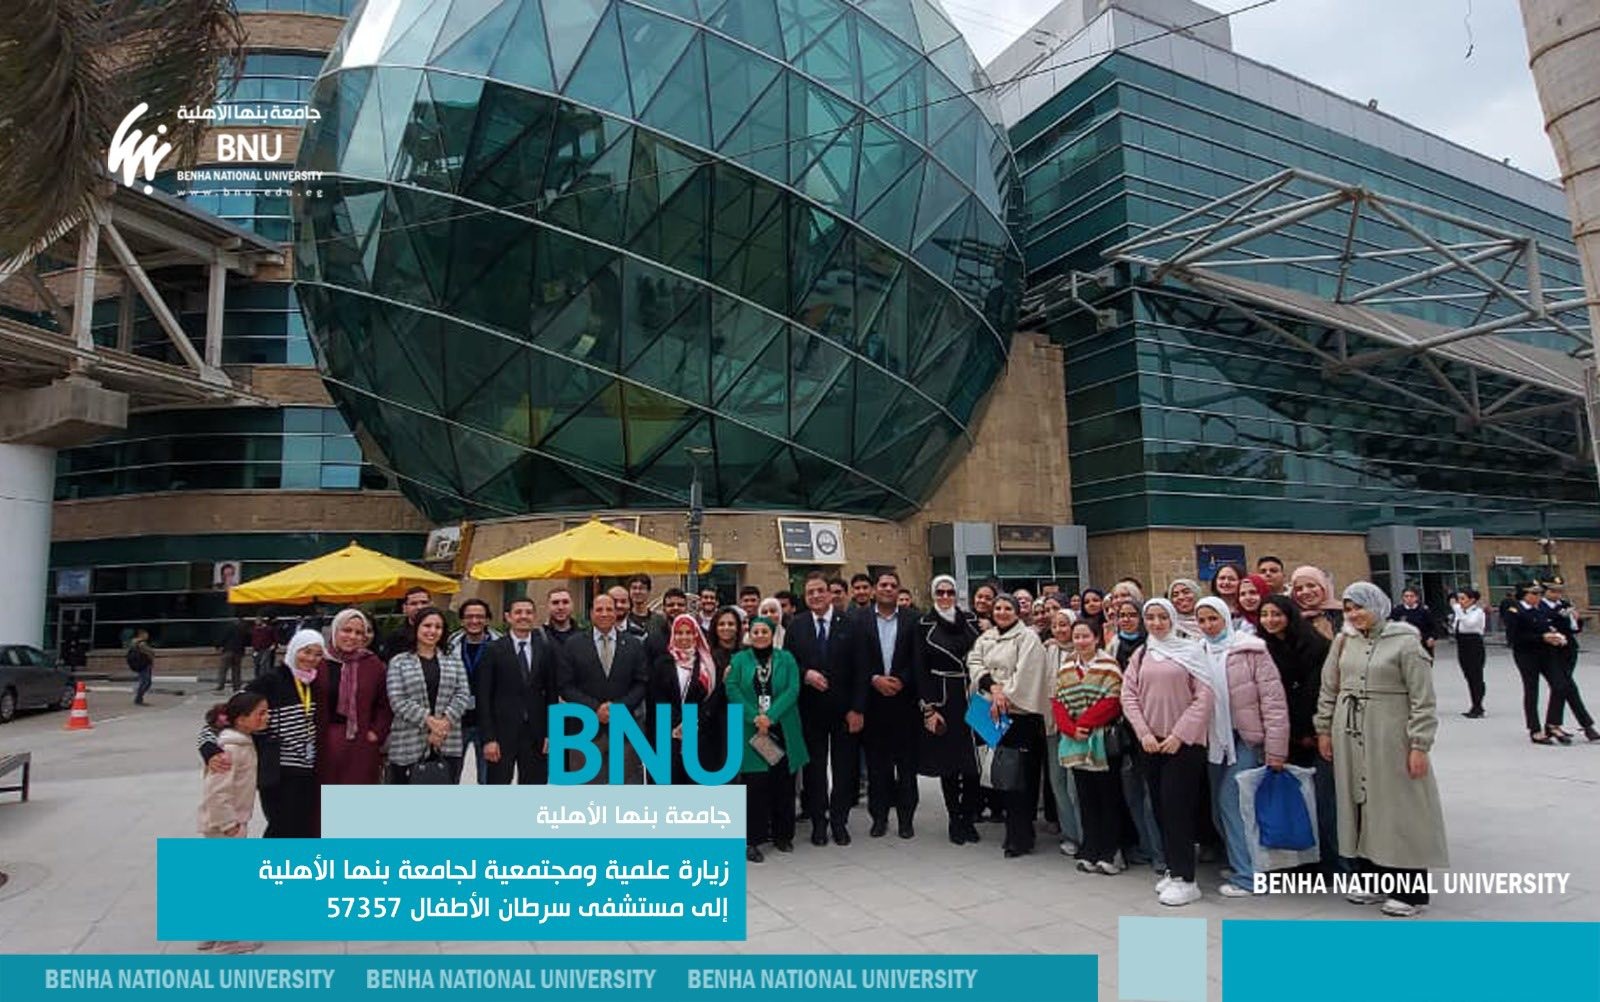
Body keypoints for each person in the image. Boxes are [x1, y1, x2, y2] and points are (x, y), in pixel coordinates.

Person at [1316, 582, 1448, 918]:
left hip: (1389, 735)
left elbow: (1423, 699)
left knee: (1397, 807)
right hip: (1350, 733)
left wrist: (1419, 744)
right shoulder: (1344, 642)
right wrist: (1324, 729)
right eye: (1348, 609)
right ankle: (1371, 877)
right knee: (1359, 803)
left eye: (1360, 607)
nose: (1354, 614)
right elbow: (1329, 687)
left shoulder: (1405, 642)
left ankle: (1409, 891)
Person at [1121, 598, 1213, 907]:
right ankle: (1173, 869)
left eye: (1163, 617)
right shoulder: (1142, 653)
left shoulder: (1191, 652)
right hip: (1151, 743)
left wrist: (1179, 735)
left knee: (1178, 810)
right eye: (1151, 617)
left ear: (1172, 619)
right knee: (1160, 808)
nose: (1157, 623)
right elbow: (1128, 695)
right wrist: (1144, 733)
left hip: (1183, 745)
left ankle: (1187, 879)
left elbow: (1204, 698)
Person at [1194, 596, 1288, 897]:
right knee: (1218, 807)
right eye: (1202, 620)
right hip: (1214, 740)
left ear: (1225, 618)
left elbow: (1273, 701)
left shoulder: (1251, 649)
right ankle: (1241, 861)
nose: (1208, 625)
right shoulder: (1197, 652)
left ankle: (1249, 876)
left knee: (1231, 802)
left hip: (1246, 738)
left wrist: (1276, 749)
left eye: (1213, 619)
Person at [200, 628, 325, 837]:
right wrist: (209, 747)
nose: (311, 658)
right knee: (282, 826)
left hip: (306, 768)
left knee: (302, 826)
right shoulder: (271, 680)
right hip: (278, 770)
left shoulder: (313, 682)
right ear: (293, 650)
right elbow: (227, 714)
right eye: (306, 651)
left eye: (318, 654)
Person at [966, 593, 1053, 858]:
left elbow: (1028, 674)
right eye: (998, 608)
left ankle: (1021, 836)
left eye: (1007, 608)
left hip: (1019, 713)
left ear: (1016, 612)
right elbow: (974, 662)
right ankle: (1008, 825)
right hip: (988, 709)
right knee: (997, 772)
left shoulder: (1027, 638)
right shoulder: (987, 637)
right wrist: (992, 689)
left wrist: (1004, 695)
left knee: (1020, 777)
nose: (1002, 612)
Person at [1258, 594, 1337, 872]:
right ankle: (1300, 863)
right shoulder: (1261, 649)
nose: (1270, 620)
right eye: (1265, 615)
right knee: (1295, 802)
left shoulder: (1316, 646)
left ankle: (1332, 862)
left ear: (1290, 616)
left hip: (1316, 733)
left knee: (1324, 801)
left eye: (1276, 614)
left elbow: (1320, 690)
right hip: (1283, 735)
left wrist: (1314, 729)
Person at [785, 572, 861, 846]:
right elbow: (788, 663)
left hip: (844, 711)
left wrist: (857, 708)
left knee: (844, 769)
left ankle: (839, 821)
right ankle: (819, 821)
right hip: (810, 711)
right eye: (810, 592)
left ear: (830, 594)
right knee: (814, 770)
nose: (816, 596)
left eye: (820, 591)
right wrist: (805, 674)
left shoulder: (850, 624)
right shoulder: (797, 625)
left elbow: (861, 669)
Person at [726, 617, 809, 861]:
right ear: (749, 635)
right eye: (756, 631)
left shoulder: (786, 658)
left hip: (782, 728)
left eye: (765, 631)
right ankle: (753, 840)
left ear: (773, 635)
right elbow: (732, 689)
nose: (760, 635)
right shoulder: (739, 660)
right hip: (753, 731)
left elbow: (792, 689)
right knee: (755, 786)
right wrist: (756, 717)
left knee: (783, 783)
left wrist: (770, 717)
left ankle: (783, 836)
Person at [196, 690, 270, 955]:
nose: (267, 717)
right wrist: (230, 825)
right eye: (260, 713)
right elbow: (217, 792)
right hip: (225, 826)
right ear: (240, 719)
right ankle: (228, 939)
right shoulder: (231, 749)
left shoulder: (241, 742)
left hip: (227, 823)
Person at [1052, 619, 1126, 875]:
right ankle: (1090, 848)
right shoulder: (1066, 667)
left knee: (1108, 797)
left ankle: (1111, 852)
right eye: (1077, 637)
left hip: (1102, 739)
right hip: (1076, 741)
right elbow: (1058, 701)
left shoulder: (1109, 666)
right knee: (1086, 797)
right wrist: (1071, 729)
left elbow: (1113, 700)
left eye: (1086, 636)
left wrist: (1085, 723)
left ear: (1096, 638)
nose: (1081, 641)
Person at [914, 574, 982, 845]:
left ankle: (969, 816)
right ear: (933, 595)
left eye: (949, 592)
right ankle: (955, 818)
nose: (945, 597)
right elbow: (920, 669)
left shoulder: (973, 621)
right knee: (950, 763)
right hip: (944, 697)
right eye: (940, 592)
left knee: (976, 761)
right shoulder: (923, 625)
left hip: (975, 694)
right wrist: (929, 707)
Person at [558, 593, 650, 783]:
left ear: (616, 613)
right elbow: (566, 686)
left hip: (624, 730)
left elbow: (641, 683)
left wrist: (618, 709)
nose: (604, 613)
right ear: (591, 613)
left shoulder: (633, 644)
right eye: (599, 609)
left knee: (625, 787)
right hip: (584, 731)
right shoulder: (573, 644)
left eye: (609, 609)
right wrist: (595, 708)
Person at [857, 569, 920, 840]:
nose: (888, 589)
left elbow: (918, 659)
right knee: (877, 767)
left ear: (899, 590)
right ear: (874, 589)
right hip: (873, 703)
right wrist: (874, 679)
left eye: (893, 585)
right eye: (883, 584)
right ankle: (879, 818)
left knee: (906, 767)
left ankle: (906, 820)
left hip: (904, 703)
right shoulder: (859, 619)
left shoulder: (912, 619)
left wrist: (902, 680)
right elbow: (855, 659)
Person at [1106, 598, 1162, 874]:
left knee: (1153, 797)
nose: (1126, 619)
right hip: (1125, 731)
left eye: (1132, 615)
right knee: (1133, 796)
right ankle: (1145, 847)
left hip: (1154, 729)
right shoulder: (1113, 646)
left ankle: (1161, 853)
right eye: (1122, 615)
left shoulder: (1153, 647)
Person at [478, 597, 561, 785]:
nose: (524, 616)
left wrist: (551, 733)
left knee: (534, 787)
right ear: (508, 617)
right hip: (501, 734)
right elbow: (484, 698)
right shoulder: (493, 650)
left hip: (536, 734)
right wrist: (489, 738)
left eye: (528, 612)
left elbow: (552, 693)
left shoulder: (545, 648)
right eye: (518, 612)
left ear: (535, 616)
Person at [385, 607, 470, 784]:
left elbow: (462, 694)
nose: (432, 631)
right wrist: (431, 723)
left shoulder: (454, 660)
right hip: (408, 741)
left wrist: (443, 724)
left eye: (438, 627)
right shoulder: (399, 662)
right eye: (427, 625)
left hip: (447, 740)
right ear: (416, 628)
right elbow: (398, 700)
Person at [315, 609, 390, 787]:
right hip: (324, 741)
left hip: (360, 742)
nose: (352, 636)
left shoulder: (373, 664)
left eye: (359, 632)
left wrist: (376, 733)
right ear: (335, 631)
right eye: (346, 630)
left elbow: (384, 705)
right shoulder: (319, 662)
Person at [652, 614, 724, 784]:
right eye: (679, 633)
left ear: (696, 635)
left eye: (688, 632)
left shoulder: (708, 664)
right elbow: (657, 696)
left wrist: (693, 722)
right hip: (671, 733)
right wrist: (678, 723)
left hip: (702, 733)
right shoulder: (662, 663)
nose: (683, 637)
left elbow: (714, 697)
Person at [1505, 581, 1580, 745]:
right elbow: (1514, 638)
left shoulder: (1540, 609)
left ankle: (1553, 723)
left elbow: (1548, 626)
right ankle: (1535, 729)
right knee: (1532, 691)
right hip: (1527, 655)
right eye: (1534, 593)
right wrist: (1541, 637)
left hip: (1547, 653)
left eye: (1539, 593)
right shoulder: (1515, 611)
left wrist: (1555, 636)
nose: (1538, 596)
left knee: (1560, 685)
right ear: (1524, 595)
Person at [1042, 612, 1086, 858]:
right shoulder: (1047, 650)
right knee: (1057, 782)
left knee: (1075, 785)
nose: (1059, 630)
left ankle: (1085, 835)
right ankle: (1070, 834)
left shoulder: (1083, 652)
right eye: (1055, 625)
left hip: (1077, 725)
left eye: (1064, 624)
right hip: (1052, 724)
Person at [447, 598, 499, 783]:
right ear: (462, 620)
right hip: (456, 721)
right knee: (450, 777)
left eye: (479, 616)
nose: (474, 621)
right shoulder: (449, 646)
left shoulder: (500, 645)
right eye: (469, 616)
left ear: (487, 619)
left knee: (488, 779)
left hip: (489, 723)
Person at [1541, 579, 1597, 742]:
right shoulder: (1540, 606)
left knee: (1564, 686)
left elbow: (1575, 629)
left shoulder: (1565, 605)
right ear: (1545, 591)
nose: (1557, 594)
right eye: (1553, 591)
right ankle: (1586, 725)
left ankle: (1553, 725)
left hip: (1569, 650)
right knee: (1564, 686)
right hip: (1551, 651)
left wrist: (1575, 619)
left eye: (1559, 591)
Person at [1450, 589, 1488, 719]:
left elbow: (1469, 623)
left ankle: (1478, 705)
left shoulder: (1478, 612)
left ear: (1472, 600)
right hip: (1462, 643)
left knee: (1476, 675)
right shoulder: (1461, 612)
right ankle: (1474, 704)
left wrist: (1457, 610)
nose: (1460, 602)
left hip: (1474, 643)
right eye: (1458, 599)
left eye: (1463, 599)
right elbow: (1457, 625)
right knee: (1468, 675)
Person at [378, 587, 432, 661]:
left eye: (424, 603)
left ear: (431, 605)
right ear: (404, 608)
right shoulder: (395, 639)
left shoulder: (441, 634)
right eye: (413, 603)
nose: (419, 607)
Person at [1291, 566, 1343, 641]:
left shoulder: (1345, 614)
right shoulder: (1292, 619)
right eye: (1299, 589)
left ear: (1323, 586)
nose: (1305, 592)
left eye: (1311, 586)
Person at [1390, 587, 1439, 654]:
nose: (1409, 598)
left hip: (1422, 643)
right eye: (1406, 596)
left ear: (1416, 598)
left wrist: (1432, 638)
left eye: (1411, 596)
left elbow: (1433, 627)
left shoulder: (1424, 610)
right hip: (1403, 645)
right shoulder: (1397, 611)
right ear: (1403, 598)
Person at [624, 574, 666, 641]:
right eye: (634, 588)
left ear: (648, 592)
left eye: (641, 588)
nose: (637, 591)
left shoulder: (659, 621)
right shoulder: (624, 620)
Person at [709, 607, 743, 681]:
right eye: (721, 624)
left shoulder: (746, 653)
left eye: (731, 624)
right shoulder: (708, 656)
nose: (726, 628)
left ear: (737, 627)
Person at [215, 616, 249, 692]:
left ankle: (221, 685)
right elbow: (246, 641)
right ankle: (236, 686)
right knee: (236, 670)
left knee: (223, 669)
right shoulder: (243, 630)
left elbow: (224, 638)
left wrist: (218, 645)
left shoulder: (229, 628)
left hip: (228, 650)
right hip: (238, 652)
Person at [127, 629, 155, 705]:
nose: (147, 636)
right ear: (141, 635)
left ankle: (139, 698)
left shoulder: (133, 643)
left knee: (144, 682)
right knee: (146, 682)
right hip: (144, 665)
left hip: (140, 665)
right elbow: (150, 652)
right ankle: (138, 699)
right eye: (146, 634)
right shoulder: (141, 644)